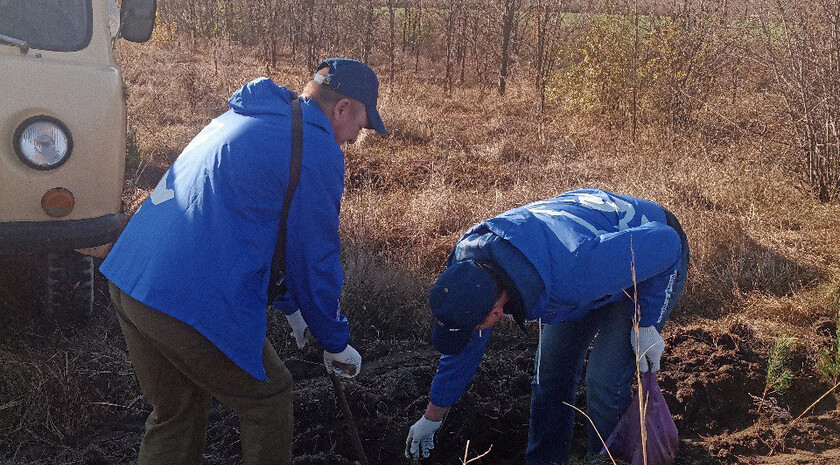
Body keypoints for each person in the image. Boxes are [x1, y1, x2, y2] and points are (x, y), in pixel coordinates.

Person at [100, 58, 386, 465]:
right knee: (269, 398)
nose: (359, 136)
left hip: (129, 279)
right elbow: (314, 259)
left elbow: (261, 223)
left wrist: (292, 310)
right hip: (182, 297)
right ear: (341, 109)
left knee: (177, 410)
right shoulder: (316, 148)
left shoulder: (254, 116)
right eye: (362, 123)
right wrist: (335, 340)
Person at [405, 189, 690, 464]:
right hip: (589, 262)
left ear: (495, 313)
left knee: (604, 381)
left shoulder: (573, 273)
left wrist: (646, 322)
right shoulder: (468, 267)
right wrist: (432, 417)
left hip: (648, 257)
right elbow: (464, 348)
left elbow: (667, 244)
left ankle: (604, 460)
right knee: (550, 376)